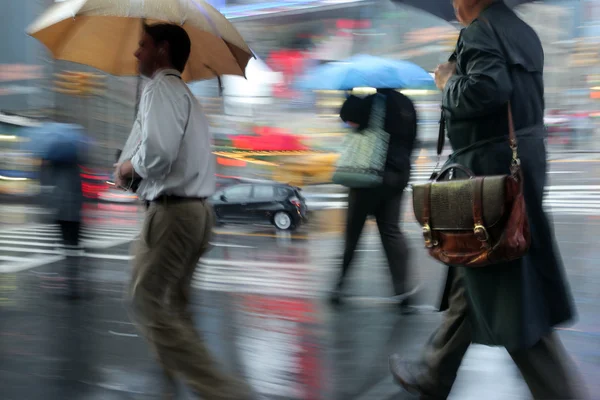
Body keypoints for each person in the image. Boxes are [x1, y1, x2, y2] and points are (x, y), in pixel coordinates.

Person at [389, 1, 585, 399]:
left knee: (510, 291)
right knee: (473, 271)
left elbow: (487, 89)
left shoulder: (481, 31)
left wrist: (447, 81)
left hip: (489, 178)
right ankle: (435, 371)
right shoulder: (521, 32)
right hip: (518, 168)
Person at [114, 23, 251, 399]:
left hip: (172, 215)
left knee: (146, 302)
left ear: (162, 48)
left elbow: (158, 155)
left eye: (142, 45)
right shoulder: (185, 95)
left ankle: (224, 391)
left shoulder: (160, 88)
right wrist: (134, 170)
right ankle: (172, 377)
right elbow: (171, 156)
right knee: (173, 305)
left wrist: (128, 168)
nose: (136, 53)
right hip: (196, 213)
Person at [330, 88, 418, 311]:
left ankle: (339, 286)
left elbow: (346, 115)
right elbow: (413, 141)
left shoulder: (372, 102)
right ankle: (402, 292)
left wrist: (348, 95)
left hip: (368, 176)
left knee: (353, 233)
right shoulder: (407, 105)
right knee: (391, 232)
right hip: (396, 178)